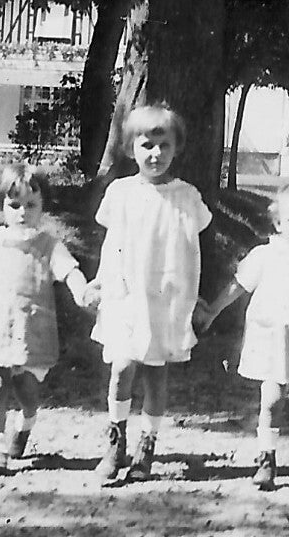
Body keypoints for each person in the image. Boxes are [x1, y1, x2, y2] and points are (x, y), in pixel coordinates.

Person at [194, 181, 289, 491]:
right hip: (273, 340)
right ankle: (266, 457)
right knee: (272, 399)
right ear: (278, 223)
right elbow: (238, 286)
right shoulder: (265, 256)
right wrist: (212, 310)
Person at [88, 103, 213, 484]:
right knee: (123, 366)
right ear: (130, 148)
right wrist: (98, 281)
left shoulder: (187, 197)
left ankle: (148, 444)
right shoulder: (120, 192)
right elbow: (112, 244)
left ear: (176, 149)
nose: (155, 154)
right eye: (146, 145)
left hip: (165, 297)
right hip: (127, 294)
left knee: (156, 372)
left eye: (164, 145)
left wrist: (198, 297)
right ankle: (116, 438)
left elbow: (196, 249)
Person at [0, 163, 96, 475]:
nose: (22, 212)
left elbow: (70, 271)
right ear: (1, 205)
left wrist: (83, 293)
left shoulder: (48, 245)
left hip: (30, 331)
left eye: (30, 205)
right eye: (14, 205)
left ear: (43, 207)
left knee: (27, 391)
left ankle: (27, 421)